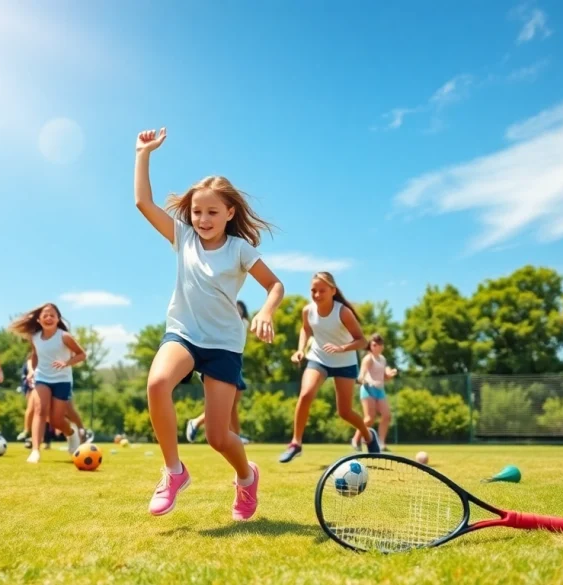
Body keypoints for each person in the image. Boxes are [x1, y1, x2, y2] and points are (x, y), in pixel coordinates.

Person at [134, 127, 284, 521]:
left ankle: (247, 477)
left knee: (218, 437)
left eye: (212, 212)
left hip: (223, 344)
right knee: (156, 384)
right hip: (183, 333)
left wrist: (266, 312)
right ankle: (173, 472)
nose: (202, 219)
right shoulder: (183, 238)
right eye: (197, 211)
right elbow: (142, 202)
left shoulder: (239, 249)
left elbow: (275, 285)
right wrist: (143, 153)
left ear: (230, 213)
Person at [279, 272, 378, 464]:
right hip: (319, 358)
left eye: (321, 291)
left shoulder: (343, 312)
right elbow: (306, 329)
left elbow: (361, 341)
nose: (316, 295)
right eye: (313, 291)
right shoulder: (308, 311)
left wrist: (341, 348)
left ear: (333, 291)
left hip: (345, 362)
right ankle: (296, 443)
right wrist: (300, 350)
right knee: (306, 394)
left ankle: (368, 435)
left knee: (345, 412)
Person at [9, 303, 86, 463]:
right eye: (45, 315)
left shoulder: (64, 336)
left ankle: (71, 433)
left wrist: (67, 363)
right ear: (39, 320)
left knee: (57, 419)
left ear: (58, 319)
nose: (49, 318)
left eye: (52, 315)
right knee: (40, 410)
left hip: (62, 380)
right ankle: (35, 450)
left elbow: (82, 354)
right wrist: (31, 371)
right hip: (42, 377)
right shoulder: (35, 338)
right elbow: (35, 356)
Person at [185, 300, 251, 445]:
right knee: (228, 404)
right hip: (222, 362)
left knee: (231, 404)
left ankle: (233, 435)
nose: (236, 311)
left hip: (232, 362)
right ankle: (233, 436)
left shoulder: (242, 323)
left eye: (239, 309)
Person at [351, 333, 398, 451]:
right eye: (374, 344)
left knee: (387, 416)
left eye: (379, 344)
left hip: (380, 390)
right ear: (370, 346)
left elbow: (385, 375)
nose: (377, 346)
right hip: (368, 389)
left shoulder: (382, 359)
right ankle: (356, 440)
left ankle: (381, 443)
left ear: (382, 346)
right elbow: (362, 374)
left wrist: (391, 373)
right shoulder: (368, 358)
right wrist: (362, 379)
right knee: (369, 418)